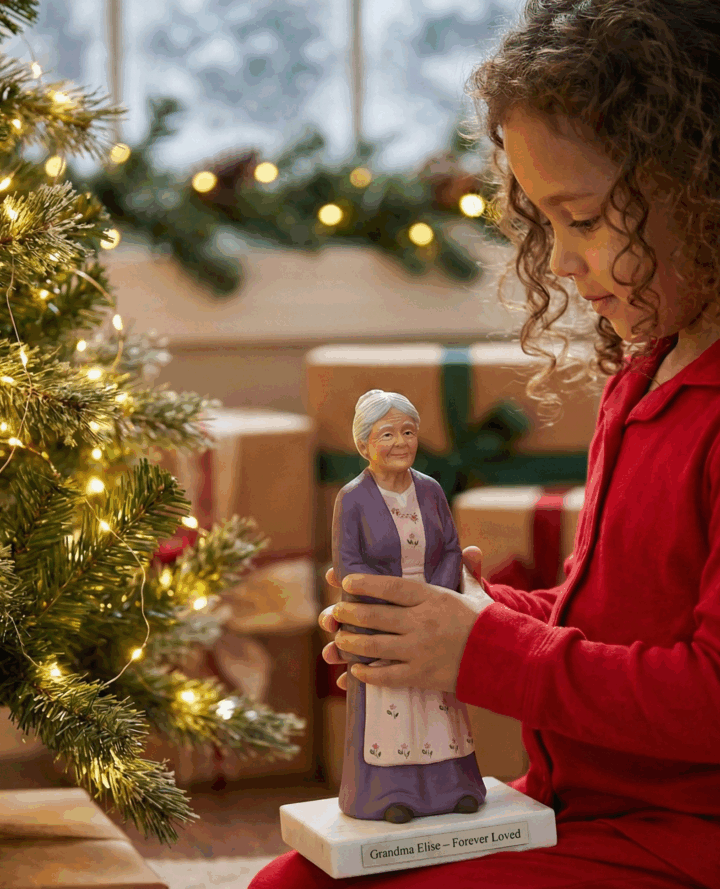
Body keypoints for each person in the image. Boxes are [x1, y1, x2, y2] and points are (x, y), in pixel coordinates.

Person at [249, 0, 720, 885]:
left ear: (699, 183)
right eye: (545, 224)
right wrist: (464, 613)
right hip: (586, 801)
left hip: (684, 837)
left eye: (583, 220)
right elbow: (624, 622)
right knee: (294, 877)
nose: (562, 265)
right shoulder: (650, 369)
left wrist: (480, 650)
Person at [331, 389, 486, 823]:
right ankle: (389, 795)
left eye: (408, 431)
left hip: (435, 611)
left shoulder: (432, 490)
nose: (400, 442)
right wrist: (393, 603)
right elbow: (348, 562)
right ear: (364, 445)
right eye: (387, 434)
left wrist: (434, 598)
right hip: (383, 617)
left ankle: (454, 787)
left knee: (437, 703)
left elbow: (452, 548)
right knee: (393, 703)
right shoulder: (353, 498)